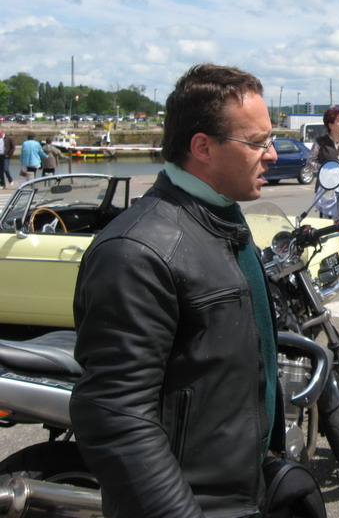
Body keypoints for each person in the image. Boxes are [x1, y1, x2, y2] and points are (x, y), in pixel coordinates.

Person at [70, 64, 286, 518]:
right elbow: (117, 419)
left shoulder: (220, 215)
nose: (271, 154)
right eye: (257, 142)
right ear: (202, 147)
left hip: (248, 489)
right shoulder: (136, 251)